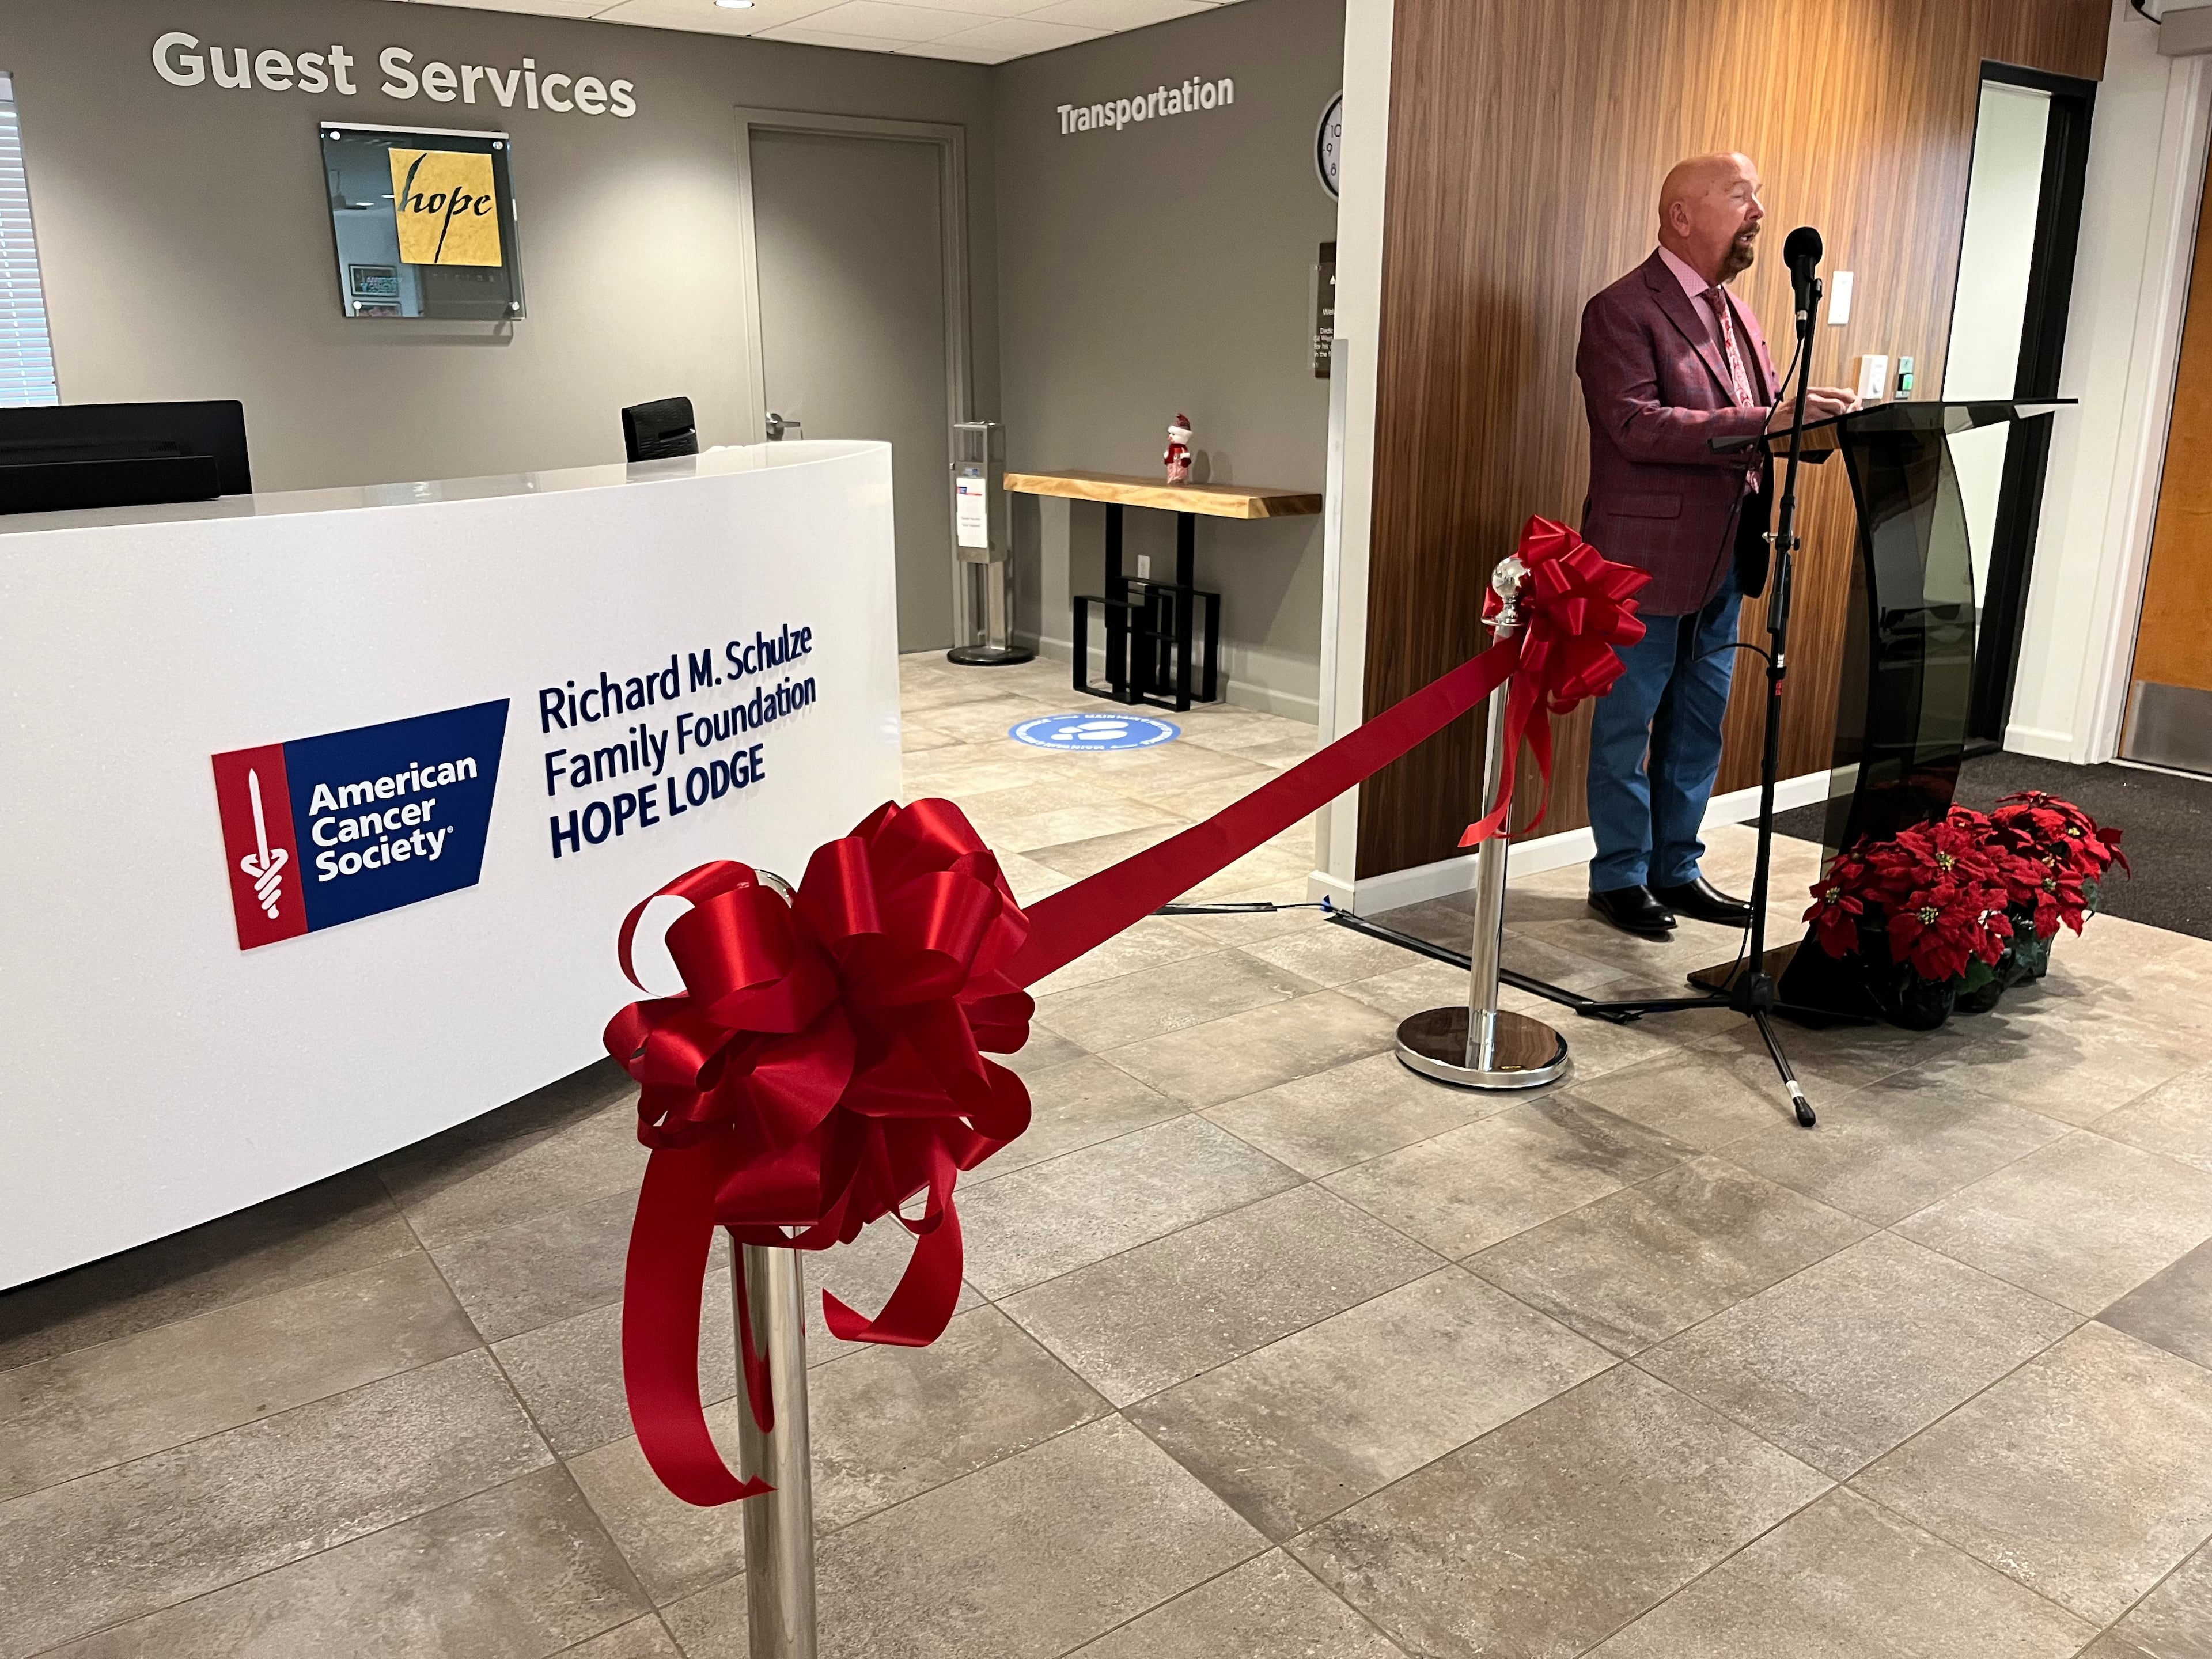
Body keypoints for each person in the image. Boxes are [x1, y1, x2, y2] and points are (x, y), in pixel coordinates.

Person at [1574, 151, 1856, 938]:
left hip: (1729, 558)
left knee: (1700, 726)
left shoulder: (1740, 316)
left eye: (1758, 196)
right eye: (1741, 196)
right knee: (1629, 730)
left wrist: (1813, 421)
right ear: (1682, 214)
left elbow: (1756, 422)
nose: (1759, 212)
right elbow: (1632, 425)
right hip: (1645, 563)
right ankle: (1621, 876)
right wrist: (1765, 421)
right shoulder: (1620, 310)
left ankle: (1678, 866)